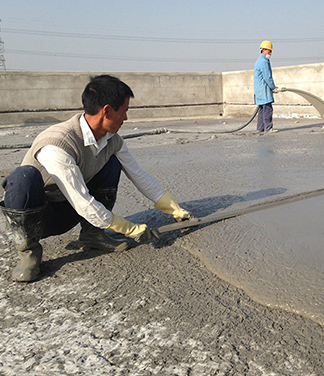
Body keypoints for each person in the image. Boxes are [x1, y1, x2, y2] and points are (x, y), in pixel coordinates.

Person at [0, 75, 192, 282]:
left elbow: (138, 174)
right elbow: (81, 201)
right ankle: (28, 251)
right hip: (43, 216)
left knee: (112, 162)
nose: (126, 119)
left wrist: (173, 208)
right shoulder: (57, 144)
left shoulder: (112, 141)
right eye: (124, 111)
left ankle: (93, 234)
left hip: (71, 210)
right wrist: (129, 229)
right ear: (107, 110)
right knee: (23, 177)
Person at [254, 40, 283, 133]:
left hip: (259, 90)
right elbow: (267, 77)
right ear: (263, 50)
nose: (270, 53)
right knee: (267, 109)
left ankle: (260, 128)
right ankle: (268, 128)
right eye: (269, 51)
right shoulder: (264, 62)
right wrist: (273, 87)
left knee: (262, 110)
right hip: (264, 90)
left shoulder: (259, 60)